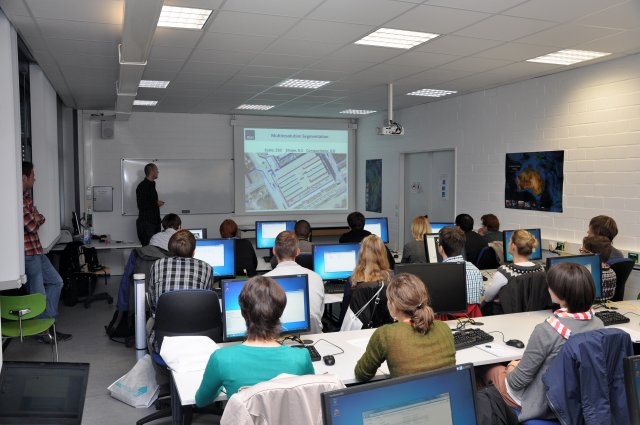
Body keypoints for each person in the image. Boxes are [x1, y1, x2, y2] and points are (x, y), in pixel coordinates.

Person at [482, 263, 604, 422]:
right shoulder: (599, 324)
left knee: (487, 369)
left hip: (543, 404)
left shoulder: (547, 330)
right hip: (576, 401)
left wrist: (511, 367)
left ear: (560, 293)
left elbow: (516, 383)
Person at [195, 275, 314, 405]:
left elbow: (201, 401)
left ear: (243, 312)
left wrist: (220, 385)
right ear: (280, 313)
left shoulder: (221, 359)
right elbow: (311, 398)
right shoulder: (301, 357)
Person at [354, 273, 455, 381]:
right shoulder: (444, 328)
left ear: (392, 305)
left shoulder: (385, 334)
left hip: (409, 392)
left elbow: (362, 374)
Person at [22, 161, 72, 343]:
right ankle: (45, 332)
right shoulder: (17, 200)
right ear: (24, 177)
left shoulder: (27, 197)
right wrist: (36, 219)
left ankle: (48, 325)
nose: (35, 179)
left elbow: (40, 218)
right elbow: (31, 226)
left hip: (37, 250)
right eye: (33, 176)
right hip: (28, 255)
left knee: (57, 282)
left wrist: (37, 218)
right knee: (38, 294)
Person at [264, 231, 325, 334]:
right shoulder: (316, 277)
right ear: (297, 252)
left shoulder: (262, 282)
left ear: (274, 251)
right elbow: (319, 314)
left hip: (275, 339)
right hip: (313, 337)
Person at [339, 235, 394, 327]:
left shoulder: (352, 281)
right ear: (383, 254)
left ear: (362, 254)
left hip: (358, 331)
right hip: (385, 330)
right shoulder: (391, 280)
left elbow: (345, 314)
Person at [482, 229, 545, 304]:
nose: (508, 243)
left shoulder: (505, 272)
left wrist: (501, 298)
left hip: (508, 311)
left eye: (510, 241)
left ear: (513, 246)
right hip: (534, 310)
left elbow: (487, 297)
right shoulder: (541, 269)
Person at [438, 226, 483, 313]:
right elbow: (481, 293)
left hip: (448, 318)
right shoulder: (475, 270)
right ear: (462, 246)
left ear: (440, 248)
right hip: (471, 318)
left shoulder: (438, 273)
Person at [136, 163, 164, 246]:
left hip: (155, 223)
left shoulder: (152, 184)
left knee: (156, 247)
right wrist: (156, 203)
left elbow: (149, 202)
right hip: (147, 224)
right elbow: (141, 206)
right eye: (156, 170)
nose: (158, 172)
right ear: (151, 171)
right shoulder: (142, 186)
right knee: (149, 248)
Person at [582, 235, 617, 300]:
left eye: (583, 251)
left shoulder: (588, 275)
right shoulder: (612, 272)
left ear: (591, 255)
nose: (581, 254)